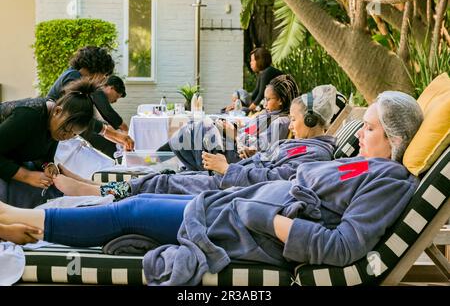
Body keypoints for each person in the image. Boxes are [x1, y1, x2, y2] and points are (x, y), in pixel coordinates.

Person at [0, 91, 424, 287]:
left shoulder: (388, 180)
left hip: (245, 226)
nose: (363, 136)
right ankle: (25, 218)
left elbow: (343, 246)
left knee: (136, 207)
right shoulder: (365, 166)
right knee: (143, 197)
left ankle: (25, 221)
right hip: (237, 207)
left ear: (394, 137)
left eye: (370, 128)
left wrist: (263, 216)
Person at [52, 84, 340, 198]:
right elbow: (271, 168)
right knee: (171, 172)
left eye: (295, 119)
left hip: (232, 181)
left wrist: (228, 167)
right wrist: (246, 152)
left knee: (169, 175)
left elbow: (275, 181)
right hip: (237, 173)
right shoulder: (305, 146)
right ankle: (100, 187)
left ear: (313, 121)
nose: (291, 123)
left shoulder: (310, 152)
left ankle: (101, 189)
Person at [166, 74, 297, 171]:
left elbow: (262, 149)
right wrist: (236, 127)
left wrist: (234, 134)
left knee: (203, 125)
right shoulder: (267, 114)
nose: (264, 103)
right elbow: (249, 132)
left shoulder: (282, 122)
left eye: (268, 99)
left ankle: (207, 172)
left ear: (280, 100)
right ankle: (200, 171)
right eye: (264, 99)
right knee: (193, 128)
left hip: (238, 155)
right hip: (232, 144)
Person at [0, 78, 97, 208]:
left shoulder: (55, 125)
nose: (66, 137)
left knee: (47, 190)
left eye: (73, 134)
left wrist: (47, 164)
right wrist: (27, 176)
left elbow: (42, 154)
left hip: (9, 161)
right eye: (66, 130)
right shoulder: (28, 116)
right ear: (57, 111)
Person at [47, 46, 134, 152]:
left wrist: (113, 133)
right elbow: (80, 115)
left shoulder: (74, 75)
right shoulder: (73, 77)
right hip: (53, 133)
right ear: (97, 68)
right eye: (105, 74)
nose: (104, 79)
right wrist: (113, 133)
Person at [81, 75, 129, 158]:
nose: (115, 101)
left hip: (88, 126)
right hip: (82, 128)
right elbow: (108, 113)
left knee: (116, 140)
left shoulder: (97, 95)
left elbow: (104, 119)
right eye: (117, 96)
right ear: (111, 88)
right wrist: (125, 128)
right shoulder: (97, 91)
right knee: (111, 144)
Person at [247, 47, 283, 113]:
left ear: (259, 60)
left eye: (252, 60)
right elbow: (255, 94)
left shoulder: (267, 72)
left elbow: (261, 95)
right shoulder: (262, 73)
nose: (250, 63)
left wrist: (247, 110)